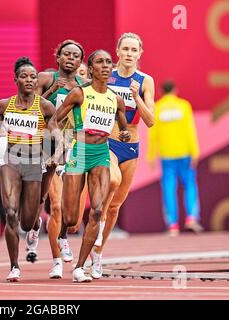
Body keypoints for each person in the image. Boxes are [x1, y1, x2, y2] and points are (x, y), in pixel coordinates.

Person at [48, 49, 130, 282]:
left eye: (108, 62)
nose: (105, 66)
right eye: (99, 62)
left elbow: (122, 126)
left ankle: (79, 268)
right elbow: (54, 120)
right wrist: (62, 139)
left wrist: (123, 134)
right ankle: (63, 235)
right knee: (73, 218)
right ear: (91, 69)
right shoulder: (79, 94)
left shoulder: (116, 99)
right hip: (80, 152)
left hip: (101, 154)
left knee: (96, 210)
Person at [91, 32, 155, 279]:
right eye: (125, 49)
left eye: (133, 50)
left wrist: (137, 96)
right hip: (108, 141)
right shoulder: (108, 75)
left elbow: (150, 121)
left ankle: (98, 252)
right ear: (117, 51)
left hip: (132, 147)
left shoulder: (145, 80)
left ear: (140, 54)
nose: (129, 54)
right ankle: (97, 223)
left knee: (116, 204)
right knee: (113, 180)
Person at [26, 40, 88, 279]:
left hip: (74, 146)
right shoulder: (45, 78)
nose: (71, 58)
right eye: (67, 54)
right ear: (58, 57)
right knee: (47, 201)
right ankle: (48, 249)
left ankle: (64, 237)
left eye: (76, 55)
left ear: (81, 62)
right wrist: (52, 91)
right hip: (47, 143)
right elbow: (28, 107)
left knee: (69, 210)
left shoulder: (84, 86)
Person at [0, 57, 55, 281]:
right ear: (15, 79)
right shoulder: (4, 105)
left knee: (27, 222)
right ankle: (14, 266)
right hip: (10, 161)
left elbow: (54, 134)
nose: (29, 80)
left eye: (33, 77)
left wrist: (52, 154)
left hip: (34, 162)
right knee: (10, 214)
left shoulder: (45, 106)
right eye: (24, 76)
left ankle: (35, 222)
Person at [147, 80, 202, 236]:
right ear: (175, 90)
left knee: (169, 189)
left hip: (167, 155)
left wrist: (151, 155)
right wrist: (195, 152)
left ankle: (173, 225)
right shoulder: (184, 106)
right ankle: (191, 218)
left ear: (160, 92)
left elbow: (153, 134)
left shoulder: (157, 108)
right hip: (185, 153)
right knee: (190, 185)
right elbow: (190, 130)